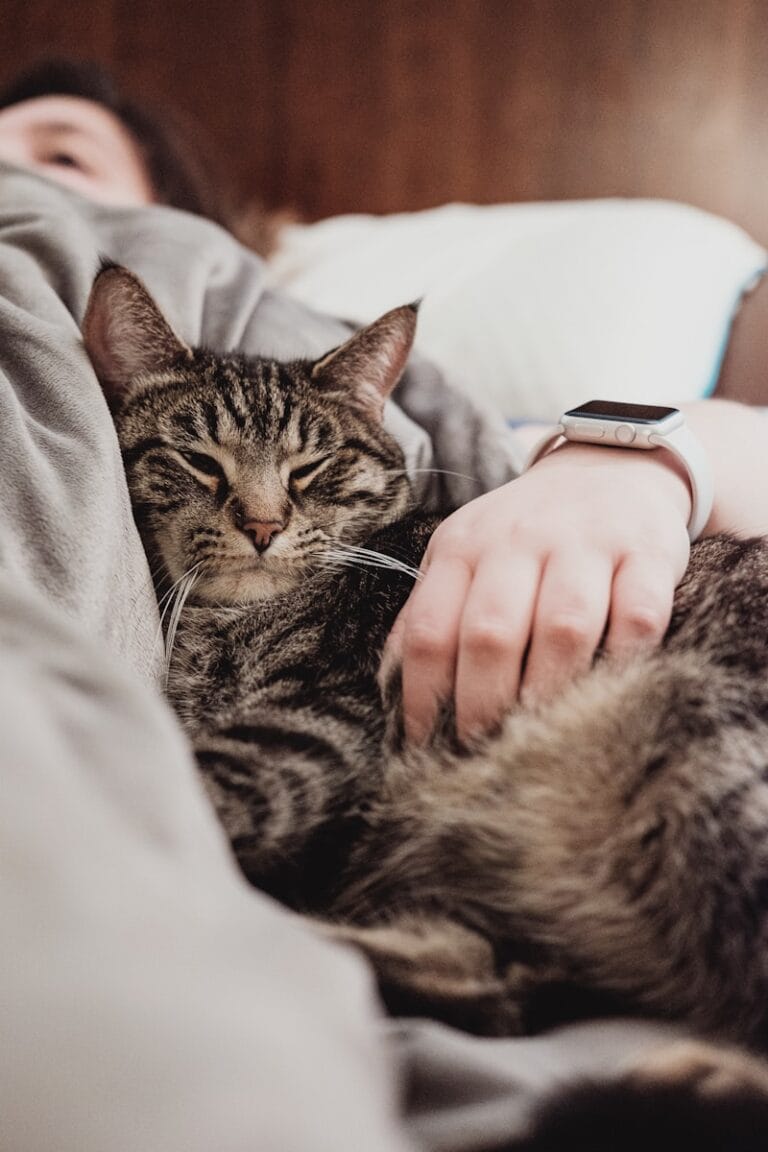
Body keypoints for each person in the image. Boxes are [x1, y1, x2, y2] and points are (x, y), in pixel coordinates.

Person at [1, 57, 767, 1152]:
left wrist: (633, 459)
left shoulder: (398, 454)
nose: (265, 521)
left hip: (648, 715)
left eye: (63, 152)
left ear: (171, 207)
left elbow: (748, 443)